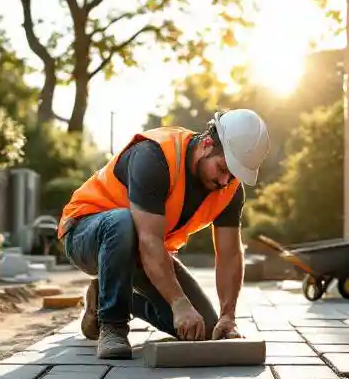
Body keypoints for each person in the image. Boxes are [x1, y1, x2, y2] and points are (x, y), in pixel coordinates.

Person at [57, 108, 272, 359]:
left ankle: (103, 296)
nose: (225, 181)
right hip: (86, 231)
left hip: (141, 247)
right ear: (207, 144)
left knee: (203, 329)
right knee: (122, 221)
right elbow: (149, 241)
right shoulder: (154, 156)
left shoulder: (230, 189)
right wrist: (179, 303)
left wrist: (228, 315)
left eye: (233, 175)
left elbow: (230, 255)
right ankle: (112, 325)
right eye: (222, 168)